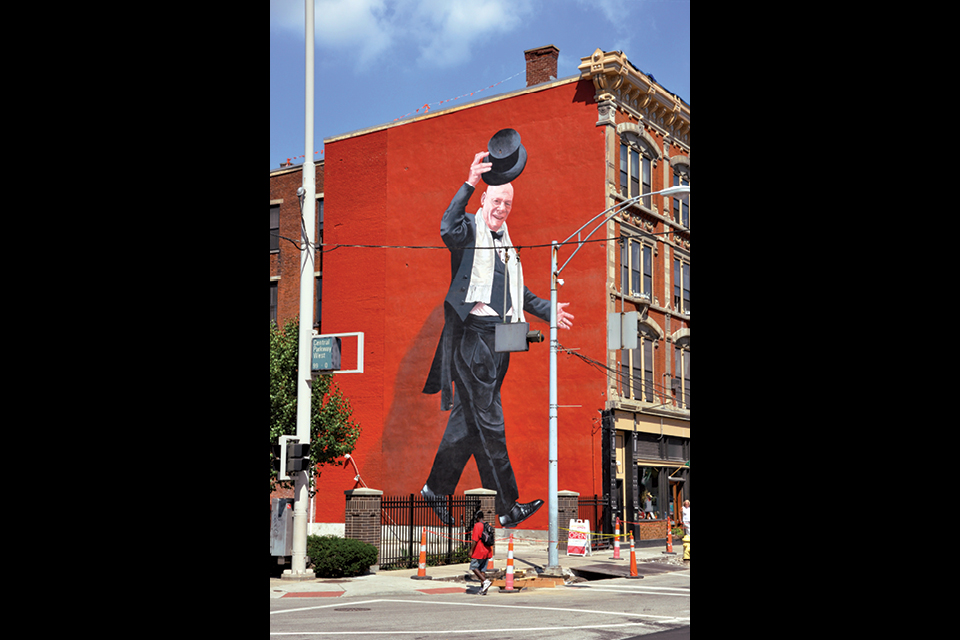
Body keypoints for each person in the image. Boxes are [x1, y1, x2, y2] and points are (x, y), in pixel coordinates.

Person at [422, 144, 575, 529]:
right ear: (486, 198)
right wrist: (470, 181)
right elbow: (445, 227)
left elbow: (517, 296)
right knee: (492, 423)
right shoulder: (470, 232)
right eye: (497, 200)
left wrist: (549, 310)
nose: (502, 209)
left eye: (508, 204)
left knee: (468, 422)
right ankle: (508, 506)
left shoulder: (507, 248)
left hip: (500, 338)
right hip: (473, 338)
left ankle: (435, 490)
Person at [470, 511, 494, 595]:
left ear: (477, 517)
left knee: (473, 567)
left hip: (479, 551)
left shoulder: (477, 525)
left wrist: (471, 551)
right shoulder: (487, 525)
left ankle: (485, 581)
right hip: (487, 551)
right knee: (482, 570)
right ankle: (483, 589)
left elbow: (474, 540)